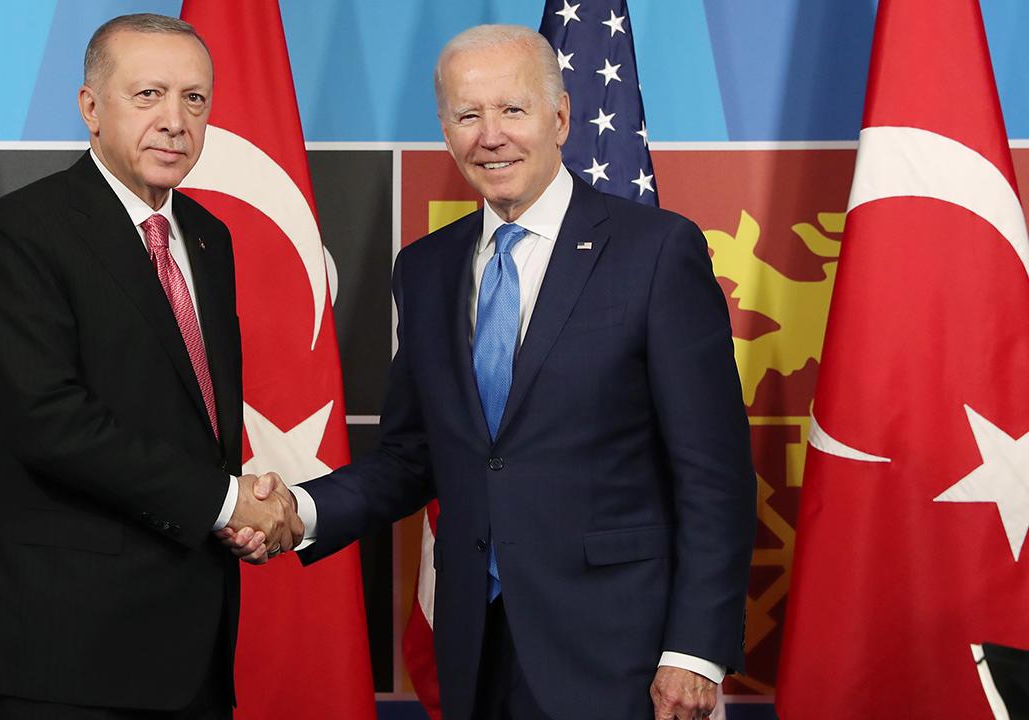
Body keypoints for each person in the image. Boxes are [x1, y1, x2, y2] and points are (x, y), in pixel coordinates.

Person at [226, 24, 754, 720]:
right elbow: (411, 456)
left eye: (512, 109)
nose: (490, 136)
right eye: (468, 115)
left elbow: (714, 472)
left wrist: (695, 650)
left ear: (559, 117)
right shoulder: (425, 268)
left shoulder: (655, 252)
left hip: (621, 649)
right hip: (475, 645)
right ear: (446, 131)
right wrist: (300, 511)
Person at [0, 14, 300, 719]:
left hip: (194, 637)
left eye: (194, 99)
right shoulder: (24, 229)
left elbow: (193, 420)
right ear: (91, 107)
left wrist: (235, 507)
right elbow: (50, 422)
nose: (175, 121)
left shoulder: (208, 237)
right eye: (148, 95)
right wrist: (227, 502)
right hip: (69, 647)